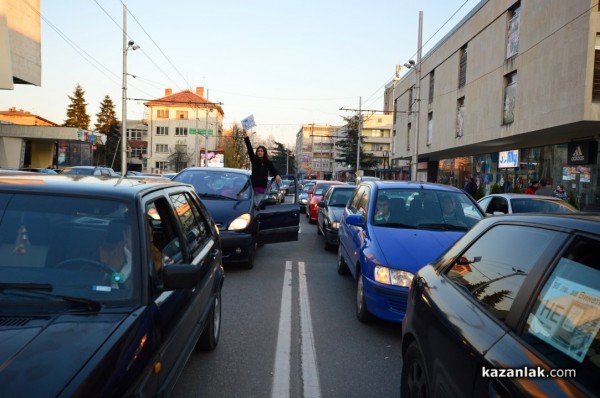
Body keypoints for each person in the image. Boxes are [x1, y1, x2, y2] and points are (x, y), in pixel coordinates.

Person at [243, 132, 281, 204]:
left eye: (261, 151)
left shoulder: (268, 162)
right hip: (253, 188)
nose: (259, 152)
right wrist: (246, 137)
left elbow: (273, 171)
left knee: (259, 206)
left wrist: (277, 175)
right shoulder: (254, 160)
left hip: (262, 190)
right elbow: (249, 148)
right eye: (258, 151)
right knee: (252, 206)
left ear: (264, 152)